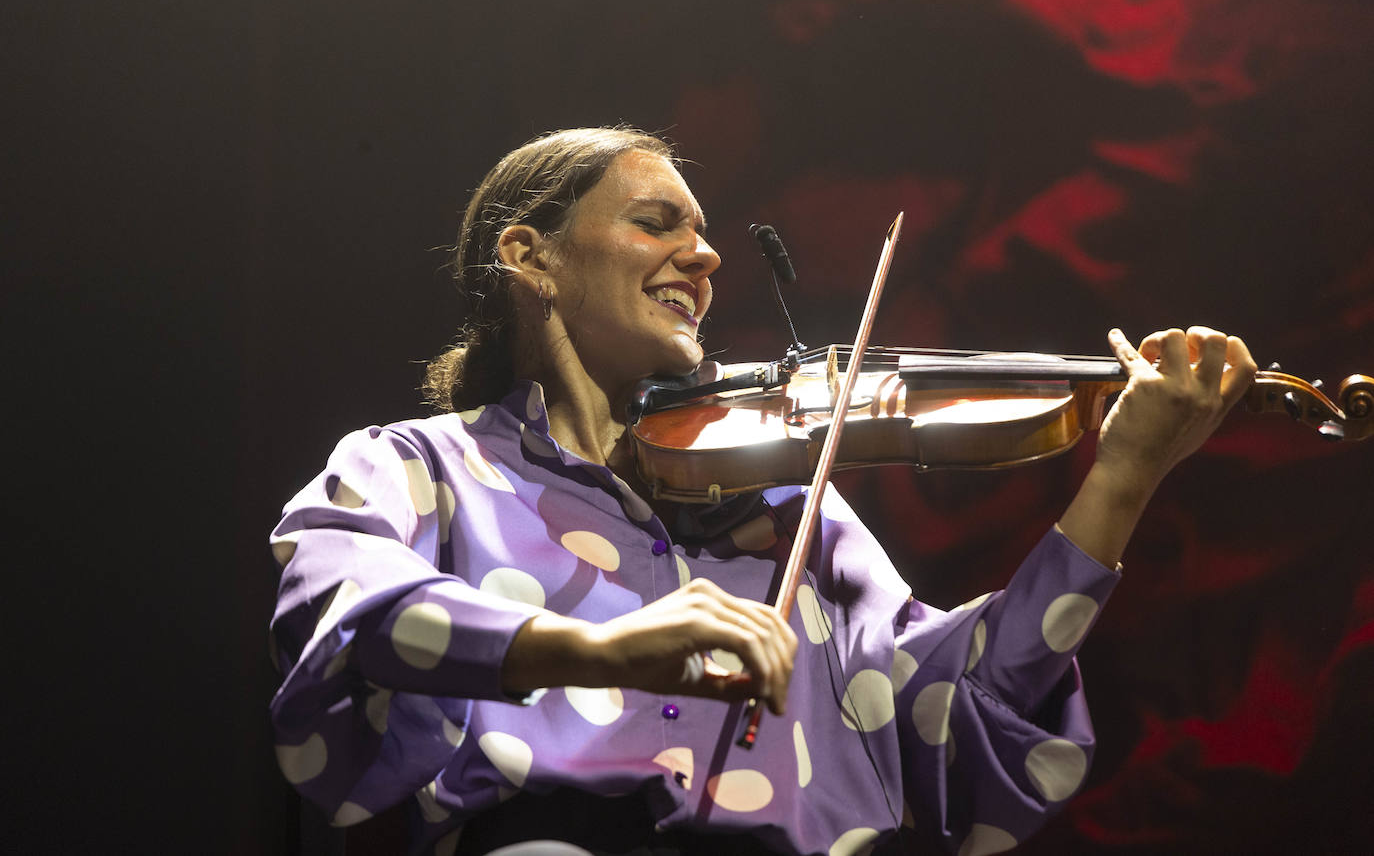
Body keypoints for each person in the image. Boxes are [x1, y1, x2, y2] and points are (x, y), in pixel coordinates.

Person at [269, 127, 1258, 856]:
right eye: (656, 223)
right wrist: (601, 647)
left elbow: (960, 723)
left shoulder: (792, 512)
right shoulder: (423, 465)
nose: (704, 258)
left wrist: (1120, 481)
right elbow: (347, 612)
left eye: (702, 237)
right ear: (531, 257)